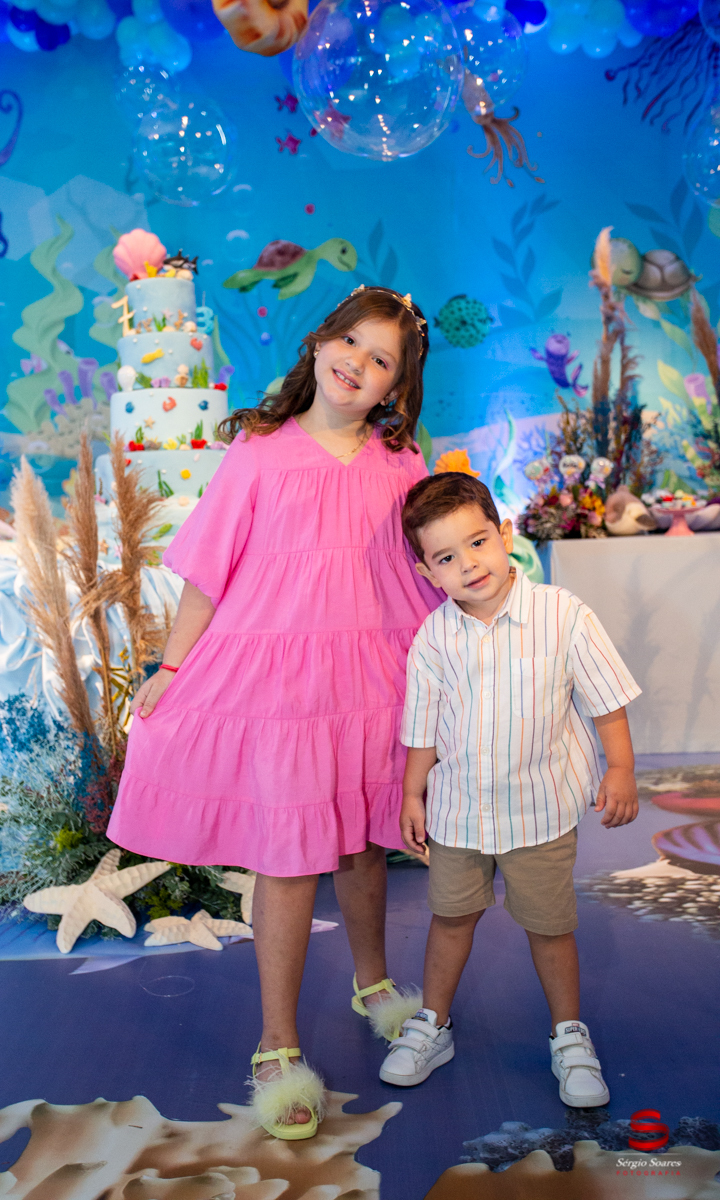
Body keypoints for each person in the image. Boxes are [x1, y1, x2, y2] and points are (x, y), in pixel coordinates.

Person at [107, 286, 441, 1140]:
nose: (357, 365)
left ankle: (373, 983)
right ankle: (278, 1043)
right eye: (351, 343)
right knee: (288, 860)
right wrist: (172, 665)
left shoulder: (401, 461)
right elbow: (208, 571)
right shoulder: (259, 449)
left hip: (373, 680)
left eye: (381, 361)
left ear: (396, 387)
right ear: (319, 341)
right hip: (282, 689)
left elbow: (427, 569)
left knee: (364, 845)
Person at [379, 471, 640, 1107]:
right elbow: (423, 729)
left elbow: (606, 701)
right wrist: (412, 794)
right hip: (459, 814)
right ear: (426, 572)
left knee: (550, 926)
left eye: (477, 543)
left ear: (504, 533)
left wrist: (621, 769)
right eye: (446, 557)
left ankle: (568, 1034)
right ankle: (433, 1023)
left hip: (539, 810)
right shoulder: (434, 637)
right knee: (450, 918)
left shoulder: (563, 614)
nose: (469, 565)